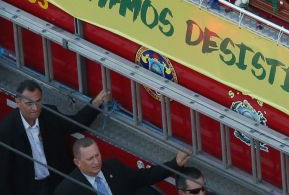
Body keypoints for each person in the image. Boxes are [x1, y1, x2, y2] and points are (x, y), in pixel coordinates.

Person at [0, 80, 111, 195]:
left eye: (38, 101)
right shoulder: (6, 130)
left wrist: (97, 101)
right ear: (18, 102)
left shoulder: (49, 114)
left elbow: (75, 124)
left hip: (58, 181)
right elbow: (4, 173)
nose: (35, 108)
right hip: (30, 188)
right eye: (29, 103)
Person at [54, 137, 189, 195]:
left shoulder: (113, 166)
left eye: (97, 155)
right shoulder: (67, 190)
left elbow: (144, 177)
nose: (96, 161)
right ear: (77, 162)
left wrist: (174, 164)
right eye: (90, 159)